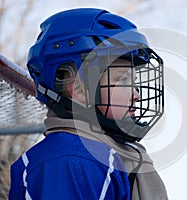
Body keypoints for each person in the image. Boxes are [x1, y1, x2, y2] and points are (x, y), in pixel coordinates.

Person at [9, 8, 168, 200]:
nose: (136, 94)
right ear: (77, 89)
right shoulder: (69, 159)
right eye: (123, 80)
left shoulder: (104, 156)